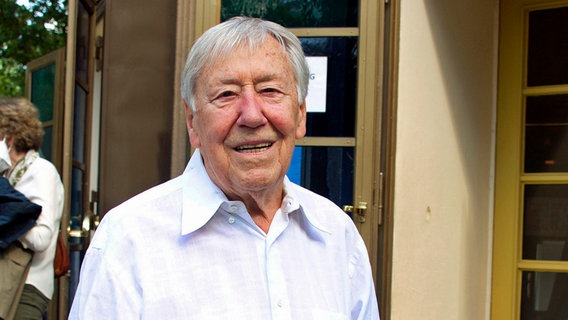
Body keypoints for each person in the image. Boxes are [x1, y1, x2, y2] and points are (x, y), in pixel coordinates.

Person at [69, 16, 379, 319]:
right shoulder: (130, 238)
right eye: (226, 94)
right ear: (193, 123)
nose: (252, 116)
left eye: (270, 90)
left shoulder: (337, 235)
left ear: (300, 115)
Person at [0, 98, 64, 319]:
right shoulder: (8, 174)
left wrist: (12, 220)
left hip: (27, 286)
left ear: (10, 134)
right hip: (6, 282)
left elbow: (42, 238)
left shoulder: (41, 171)